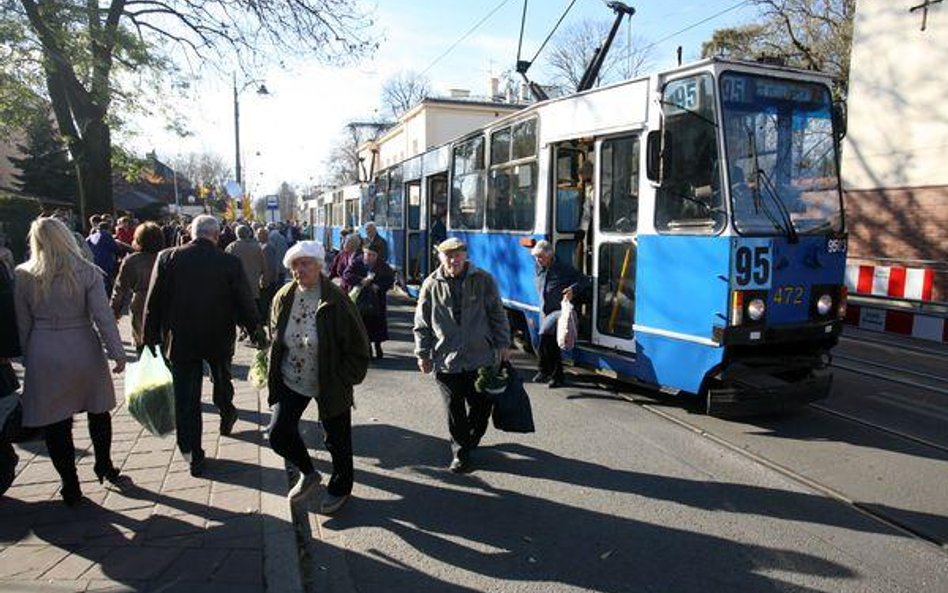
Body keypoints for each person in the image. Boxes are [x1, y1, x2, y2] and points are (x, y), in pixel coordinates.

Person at [14, 217, 127, 505]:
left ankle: (70, 482)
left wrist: (29, 356)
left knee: (55, 421)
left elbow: (22, 321)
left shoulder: (25, 274)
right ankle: (104, 464)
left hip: (44, 346)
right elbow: (103, 316)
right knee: (98, 410)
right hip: (82, 344)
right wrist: (117, 352)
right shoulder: (87, 271)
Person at [143, 215, 263, 477]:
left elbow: (153, 303)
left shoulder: (168, 257)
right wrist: (255, 331)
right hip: (218, 337)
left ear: (190, 232)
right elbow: (243, 300)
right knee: (222, 379)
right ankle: (227, 410)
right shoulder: (229, 262)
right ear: (217, 235)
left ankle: (192, 453)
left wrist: (149, 339)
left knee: (186, 399)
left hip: (181, 339)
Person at [267, 240, 370, 513]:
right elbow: (275, 336)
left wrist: (344, 378)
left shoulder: (336, 299)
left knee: (337, 441)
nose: (299, 270)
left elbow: (359, 347)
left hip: (330, 381)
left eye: (305, 263)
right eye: (294, 265)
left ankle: (340, 487)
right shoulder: (283, 296)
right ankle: (309, 474)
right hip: (292, 378)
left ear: (319, 266)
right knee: (278, 433)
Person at [413, 237, 511, 473]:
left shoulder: (484, 280)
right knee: (454, 408)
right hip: (447, 360)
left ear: (465, 255)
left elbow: (497, 313)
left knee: (481, 406)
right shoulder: (431, 284)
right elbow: (422, 322)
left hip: (480, 357)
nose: (453, 260)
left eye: (458, 255)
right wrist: (422, 354)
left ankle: (470, 439)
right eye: (448, 255)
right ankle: (461, 454)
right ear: (441, 258)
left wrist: (503, 344)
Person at [531, 240, 590, 388]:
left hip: (559, 310)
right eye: (536, 257)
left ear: (550, 255)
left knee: (544, 337)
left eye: (541, 257)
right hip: (546, 310)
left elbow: (583, 280)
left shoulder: (562, 268)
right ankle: (556, 377)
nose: (538, 260)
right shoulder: (539, 267)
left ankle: (543, 370)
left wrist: (572, 290)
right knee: (551, 344)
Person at [111, 222, 164, 353]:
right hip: (164, 303)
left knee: (143, 346)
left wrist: (114, 313)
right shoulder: (166, 257)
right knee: (164, 349)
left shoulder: (131, 261)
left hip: (140, 305)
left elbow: (120, 290)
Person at [343, 244, 395, 359]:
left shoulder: (382, 265)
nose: (370, 257)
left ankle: (378, 346)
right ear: (363, 253)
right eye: (368, 254)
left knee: (377, 324)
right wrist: (361, 280)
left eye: (373, 255)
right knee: (364, 324)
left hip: (377, 300)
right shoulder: (357, 262)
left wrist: (379, 286)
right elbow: (346, 275)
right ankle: (368, 348)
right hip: (360, 299)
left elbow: (390, 279)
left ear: (377, 256)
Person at [226, 225, 267, 332]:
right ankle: (255, 330)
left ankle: (242, 328)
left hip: (237, 284)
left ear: (236, 234)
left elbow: (226, 266)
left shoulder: (232, 247)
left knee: (238, 308)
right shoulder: (257, 247)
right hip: (253, 284)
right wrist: (263, 278)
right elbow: (264, 266)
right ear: (249, 233)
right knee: (254, 308)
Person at [257, 227, 279, 325]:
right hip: (269, 280)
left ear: (264, 235)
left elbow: (269, 266)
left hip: (267, 282)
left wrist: (266, 281)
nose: (257, 236)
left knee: (265, 305)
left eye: (259, 234)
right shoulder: (264, 246)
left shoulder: (267, 248)